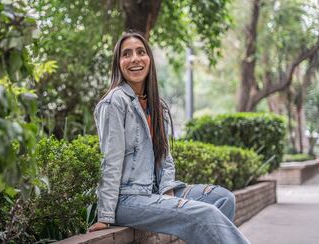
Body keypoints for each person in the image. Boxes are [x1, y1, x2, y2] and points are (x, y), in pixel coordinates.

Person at [88, 31, 249, 244]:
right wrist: (106, 215)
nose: (134, 58)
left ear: (149, 60)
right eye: (126, 54)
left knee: (224, 198)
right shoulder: (114, 103)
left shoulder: (158, 106)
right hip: (127, 199)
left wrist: (168, 192)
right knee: (204, 214)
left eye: (140, 52)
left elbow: (165, 157)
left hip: (153, 193)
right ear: (118, 64)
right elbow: (110, 161)